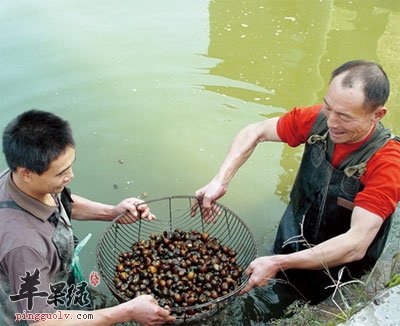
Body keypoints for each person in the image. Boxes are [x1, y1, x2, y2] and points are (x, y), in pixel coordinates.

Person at [193, 60, 400, 310]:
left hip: (340, 267)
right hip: (293, 235)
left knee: (316, 308)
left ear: (377, 115)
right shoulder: (317, 120)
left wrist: (278, 262)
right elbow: (255, 131)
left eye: (344, 116)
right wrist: (220, 181)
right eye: (328, 107)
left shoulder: (388, 163)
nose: (332, 122)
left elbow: (355, 245)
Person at [0, 110, 175, 325]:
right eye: (61, 173)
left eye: (70, 165)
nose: (71, 176)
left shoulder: (20, 180)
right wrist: (125, 312)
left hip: (60, 285)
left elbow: (60, 202)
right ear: (26, 173)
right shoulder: (23, 246)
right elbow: (42, 321)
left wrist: (112, 212)